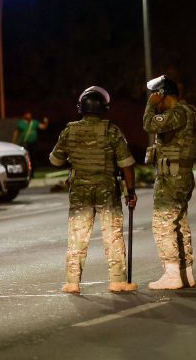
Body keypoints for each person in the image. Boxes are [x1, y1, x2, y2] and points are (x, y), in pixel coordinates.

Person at [49, 86, 138, 294]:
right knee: (113, 235)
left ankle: (72, 282)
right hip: (107, 191)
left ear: (81, 108)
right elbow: (126, 164)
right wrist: (130, 192)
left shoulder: (69, 131)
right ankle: (117, 281)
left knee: (77, 236)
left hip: (80, 191)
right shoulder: (112, 131)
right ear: (104, 108)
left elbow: (55, 160)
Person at [143, 75, 196, 290]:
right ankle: (186, 273)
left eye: (154, 94)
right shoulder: (191, 112)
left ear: (163, 94)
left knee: (163, 223)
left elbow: (148, 124)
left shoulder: (177, 113)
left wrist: (150, 107)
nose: (152, 98)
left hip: (171, 176)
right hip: (183, 173)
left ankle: (172, 273)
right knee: (179, 224)